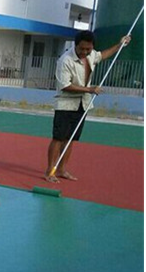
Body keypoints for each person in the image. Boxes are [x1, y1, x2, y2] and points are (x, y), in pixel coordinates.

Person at [44, 30, 131, 183]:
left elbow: (102, 55)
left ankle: (62, 169)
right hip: (65, 104)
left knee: (70, 139)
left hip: (82, 104)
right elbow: (65, 85)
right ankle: (50, 171)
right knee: (58, 138)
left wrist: (120, 45)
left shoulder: (91, 55)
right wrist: (90, 90)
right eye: (82, 49)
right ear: (76, 45)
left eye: (88, 49)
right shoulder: (65, 60)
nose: (84, 52)